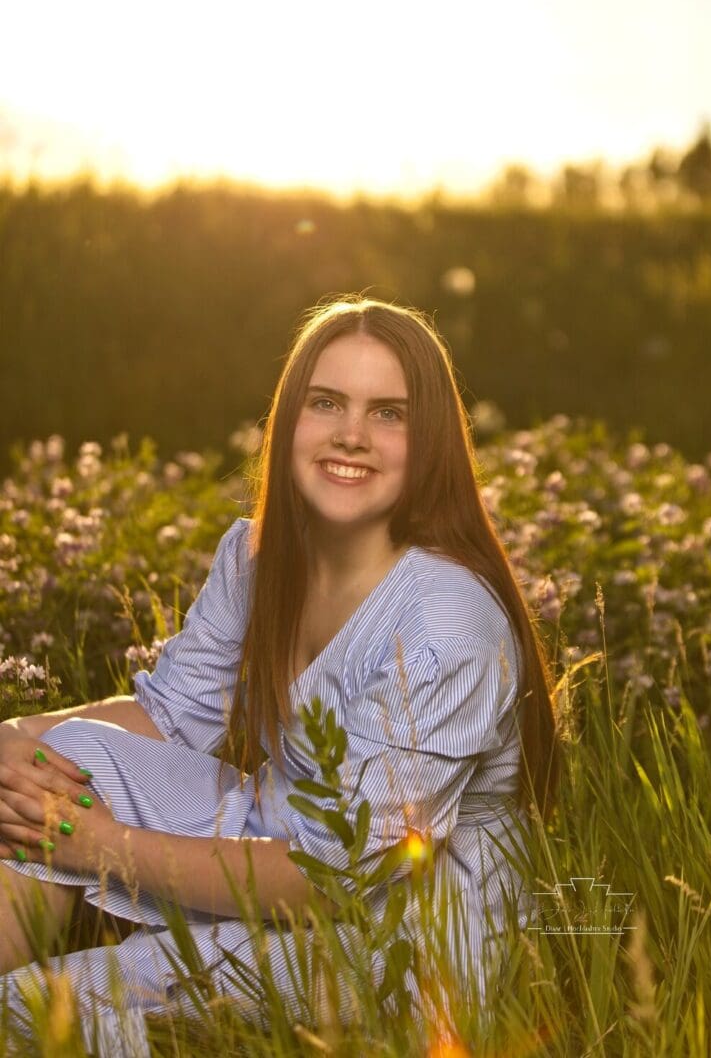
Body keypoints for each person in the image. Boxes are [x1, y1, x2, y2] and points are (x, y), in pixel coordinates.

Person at [0, 295, 558, 1050]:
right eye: (326, 402)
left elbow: (334, 875)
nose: (351, 435)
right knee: (53, 763)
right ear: (288, 418)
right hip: (273, 838)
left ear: (429, 441)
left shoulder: (446, 619)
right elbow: (172, 715)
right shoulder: (258, 555)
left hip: (395, 936)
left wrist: (103, 850)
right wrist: (16, 738)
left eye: (387, 412)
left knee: (39, 1007)